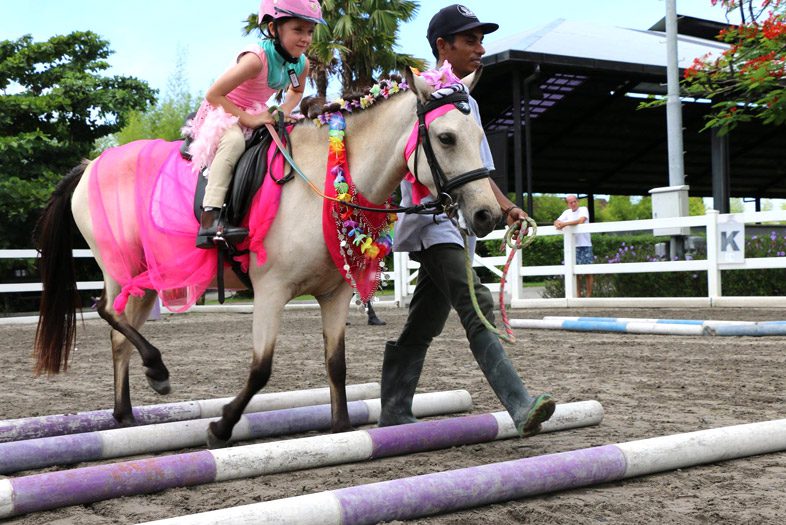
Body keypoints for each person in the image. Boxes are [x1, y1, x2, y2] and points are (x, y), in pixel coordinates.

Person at [379, 4, 555, 438]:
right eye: (470, 40)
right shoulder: (415, 99)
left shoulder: (468, 102)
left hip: (459, 227)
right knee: (476, 303)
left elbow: (479, 171)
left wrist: (508, 206)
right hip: (433, 223)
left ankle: (394, 408)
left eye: (481, 39)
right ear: (443, 46)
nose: (481, 48)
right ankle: (519, 404)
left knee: (425, 321)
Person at [187, 0, 325, 248]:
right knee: (233, 143)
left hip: (256, 112)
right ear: (273, 29)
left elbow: (297, 90)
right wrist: (250, 119)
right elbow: (213, 95)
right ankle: (210, 217)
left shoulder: (300, 63)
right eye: (298, 30)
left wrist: (282, 111)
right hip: (223, 111)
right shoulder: (255, 60)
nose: (305, 38)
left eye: (310, 31)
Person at [554, 194, 593, 297]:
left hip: (585, 245)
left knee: (588, 272)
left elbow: (581, 221)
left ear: (577, 201)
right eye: (571, 202)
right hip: (573, 247)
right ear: (568, 204)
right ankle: (578, 296)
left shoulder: (583, 209)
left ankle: (589, 296)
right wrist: (558, 224)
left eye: (575, 201)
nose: (573, 204)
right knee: (576, 274)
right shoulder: (567, 212)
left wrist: (565, 224)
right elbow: (557, 221)